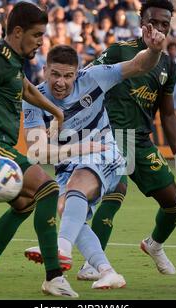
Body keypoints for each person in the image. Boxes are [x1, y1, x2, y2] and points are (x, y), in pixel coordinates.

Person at [0, 2, 78, 298]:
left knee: (24, 205)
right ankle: (53, 276)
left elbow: (27, 89)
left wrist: (56, 113)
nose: (40, 42)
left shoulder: (13, 60)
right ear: (17, 32)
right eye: (36, 35)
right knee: (48, 188)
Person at [23, 26, 165, 288]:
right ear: (44, 71)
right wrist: (79, 149)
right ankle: (107, 271)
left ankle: (59, 248)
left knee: (77, 187)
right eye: (54, 74)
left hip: (106, 155)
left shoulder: (94, 78)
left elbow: (137, 65)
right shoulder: (34, 98)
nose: (61, 82)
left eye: (67, 76)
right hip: (69, 165)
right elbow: (37, 151)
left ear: (77, 74)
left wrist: (154, 50)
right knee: (68, 211)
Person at [76, 0, 176, 280]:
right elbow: (86, 79)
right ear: (142, 22)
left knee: (173, 203)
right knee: (116, 190)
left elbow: (167, 114)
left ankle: (154, 245)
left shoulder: (168, 63)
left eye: (165, 24)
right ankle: (94, 263)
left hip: (140, 140)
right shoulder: (120, 50)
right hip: (112, 134)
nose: (159, 28)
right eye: (153, 22)